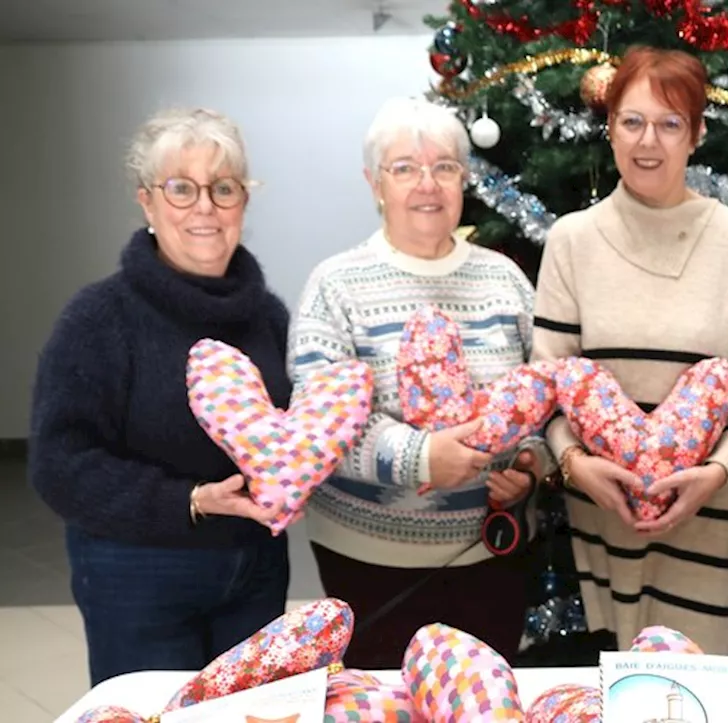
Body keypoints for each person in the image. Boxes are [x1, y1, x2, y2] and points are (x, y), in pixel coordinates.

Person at [531, 46, 728, 656]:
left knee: (691, 696)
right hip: (602, 514)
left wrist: (717, 471)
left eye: (671, 124)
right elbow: (546, 383)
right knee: (608, 689)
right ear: (611, 128)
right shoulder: (572, 240)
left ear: (696, 134)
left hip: (712, 513)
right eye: (632, 121)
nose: (649, 141)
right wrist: (576, 465)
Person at [29, 108, 290, 685]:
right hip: (135, 573)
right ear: (147, 202)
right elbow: (58, 464)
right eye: (181, 187)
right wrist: (190, 499)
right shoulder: (99, 318)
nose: (205, 206)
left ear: (243, 202)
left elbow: (291, 432)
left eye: (223, 188)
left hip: (255, 573)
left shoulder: (267, 316)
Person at [288, 96, 550, 667]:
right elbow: (314, 424)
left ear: (464, 179)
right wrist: (421, 457)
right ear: (374, 183)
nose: (426, 184)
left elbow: (547, 395)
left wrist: (528, 466)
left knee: (483, 703)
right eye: (404, 167)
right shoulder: (336, 284)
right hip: (369, 564)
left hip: (490, 555)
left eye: (445, 167)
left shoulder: (505, 279)